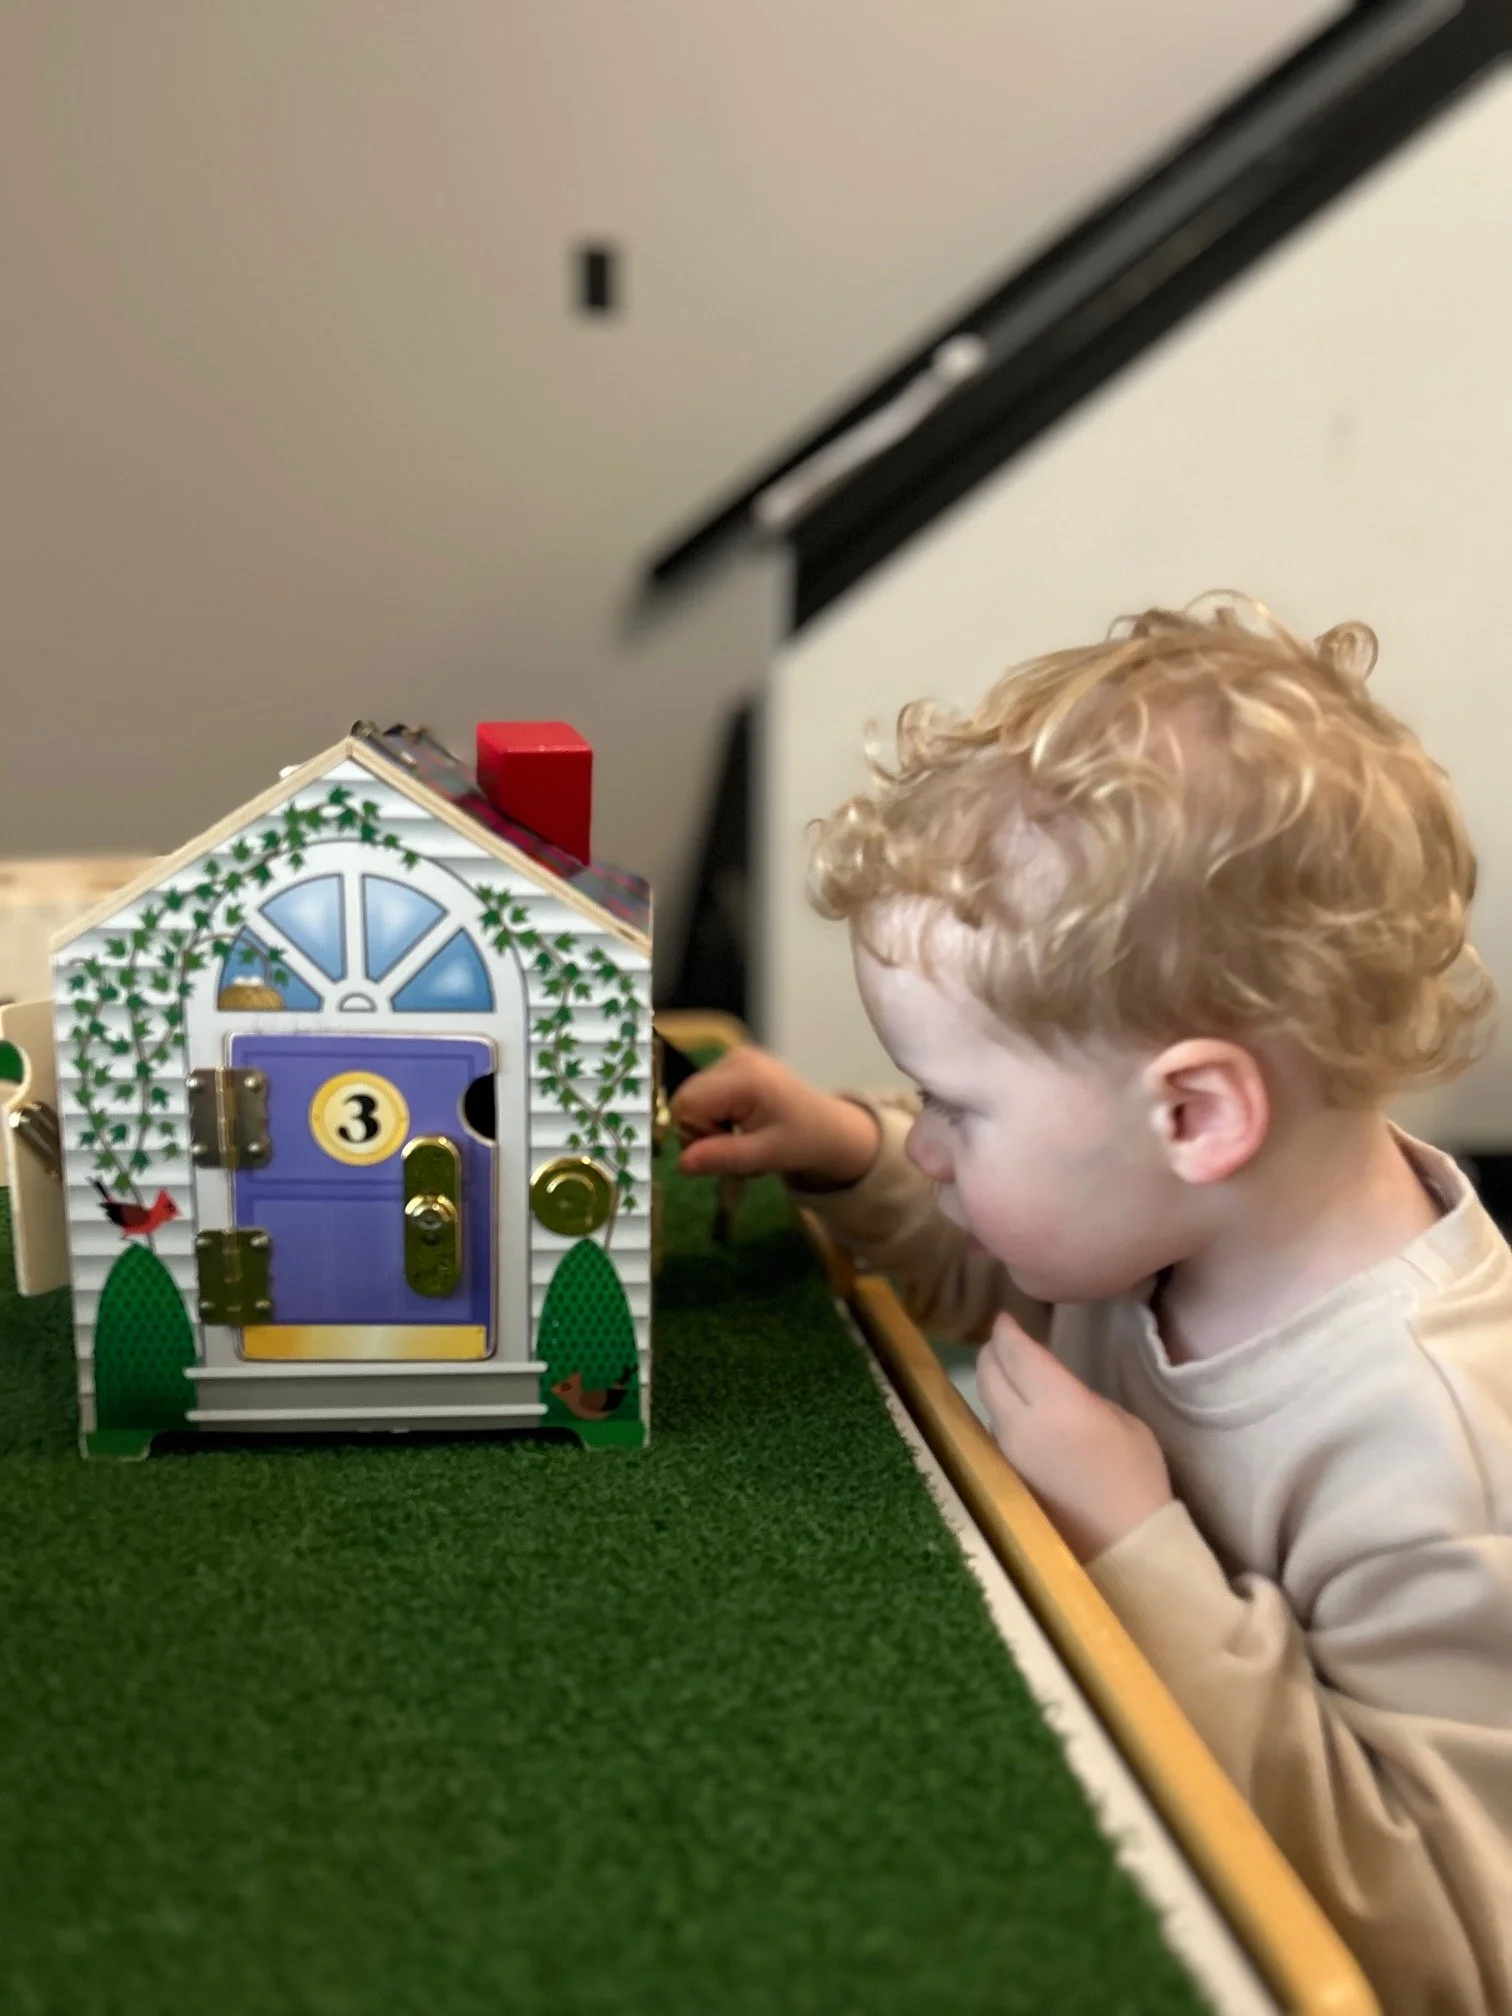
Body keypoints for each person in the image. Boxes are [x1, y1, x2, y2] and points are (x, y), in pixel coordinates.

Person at [672, 598, 1512, 2014]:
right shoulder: (1178, 1219)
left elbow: (1446, 1943)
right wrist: (855, 1153)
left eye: (955, 1104)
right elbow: (1014, 1257)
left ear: (1192, 1112)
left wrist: (1135, 1544)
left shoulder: (1438, 1454)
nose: (927, 1135)